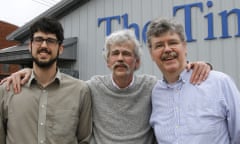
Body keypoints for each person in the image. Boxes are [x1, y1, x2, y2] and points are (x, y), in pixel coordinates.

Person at [1, 29, 211, 144]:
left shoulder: (151, 87)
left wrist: (202, 65)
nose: (120, 58)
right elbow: (56, 83)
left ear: (136, 62)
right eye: (115, 54)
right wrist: (28, 72)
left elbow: (175, 85)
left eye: (127, 54)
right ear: (107, 61)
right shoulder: (90, 88)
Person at [147, 17, 240, 144]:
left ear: (185, 47)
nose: (167, 49)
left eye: (173, 42)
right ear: (151, 54)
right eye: (159, 45)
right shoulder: (154, 93)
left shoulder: (219, 83)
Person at [0, 17, 92, 144]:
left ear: (60, 48)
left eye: (50, 40)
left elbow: (85, 140)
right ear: (30, 46)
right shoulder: (7, 89)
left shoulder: (80, 91)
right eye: (38, 39)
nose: (44, 45)